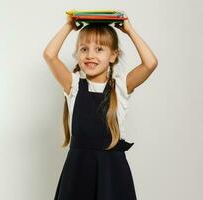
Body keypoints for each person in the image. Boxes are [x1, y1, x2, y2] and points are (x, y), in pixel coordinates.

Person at [43, 11, 158, 200]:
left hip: (112, 171)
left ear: (113, 56)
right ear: (77, 54)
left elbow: (150, 63)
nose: (90, 55)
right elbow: (49, 55)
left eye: (99, 49)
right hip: (78, 170)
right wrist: (69, 27)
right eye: (84, 49)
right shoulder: (73, 85)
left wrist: (129, 30)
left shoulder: (120, 87)